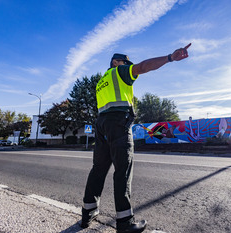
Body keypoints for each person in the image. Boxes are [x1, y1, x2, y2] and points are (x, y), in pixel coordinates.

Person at [81, 43, 191, 232]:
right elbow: (143, 67)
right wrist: (169, 58)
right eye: (124, 62)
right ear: (116, 62)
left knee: (98, 170)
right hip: (118, 123)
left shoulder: (101, 81)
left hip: (102, 125)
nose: (127, 65)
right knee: (123, 171)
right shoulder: (119, 71)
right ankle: (124, 222)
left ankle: (87, 213)